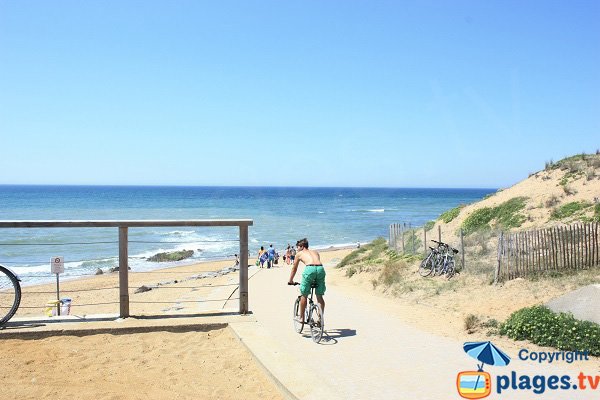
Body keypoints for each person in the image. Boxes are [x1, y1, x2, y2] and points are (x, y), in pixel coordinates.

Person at [288, 238, 325, 323]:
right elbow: (316, 263)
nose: (297, 249)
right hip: (320, 269)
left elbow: (294, 268)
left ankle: (301, 318)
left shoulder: (299, 254)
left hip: (309, 269)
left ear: (302, 246)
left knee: (304, 294)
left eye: (298, 247)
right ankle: (321, 319)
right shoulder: (315, 252)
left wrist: (290, 280)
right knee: (319, 296)